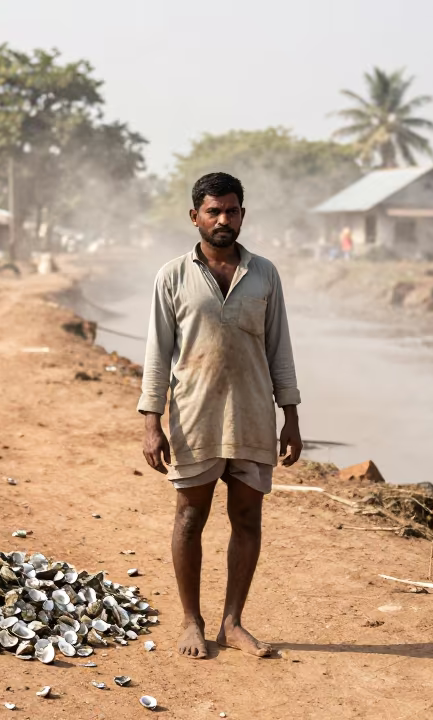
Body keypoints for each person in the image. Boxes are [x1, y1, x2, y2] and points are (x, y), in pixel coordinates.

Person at [139, 172, 303, 660]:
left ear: (242, 215)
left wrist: (290, 415)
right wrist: (152, 420)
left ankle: (233, 622)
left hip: (254, 415)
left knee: (247, 518)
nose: (223, 220)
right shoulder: (172, 275)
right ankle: (192, 621)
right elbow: (156, 354)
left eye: (231, 210)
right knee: (190, 518)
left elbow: (280, 348)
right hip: (194, 416)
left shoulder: (265, 274)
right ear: (195, 217)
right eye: (213, 211)